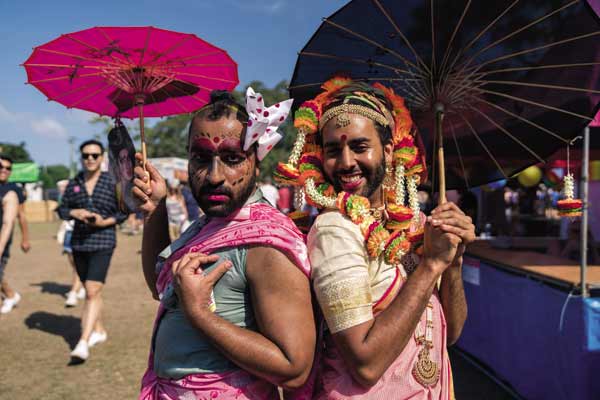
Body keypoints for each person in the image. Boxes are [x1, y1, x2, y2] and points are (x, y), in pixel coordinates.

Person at [277, 78, 475, 398]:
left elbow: (450, 333)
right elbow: (365, 364)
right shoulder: (335, 230)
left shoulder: (416, 225)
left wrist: (454, 260)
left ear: (388, 150)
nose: (345, 163)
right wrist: (431, 266)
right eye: (333, 150)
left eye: (359, 146)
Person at [132, 89, 316, 399]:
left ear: (256, 163)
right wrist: (156, 209)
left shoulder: (266, 242)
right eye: (201, 158)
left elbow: (294, 368)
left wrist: (201, 315)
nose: (215, 176)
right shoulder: (210, 224)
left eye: (232, 158)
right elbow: (161, 288)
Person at [58, 139, 127, 361]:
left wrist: (105, 222)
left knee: (91, 291)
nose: (90, 159)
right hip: (79, 243)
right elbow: (62, 209)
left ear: (102, 157)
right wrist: (75, 213)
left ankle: (83, 342)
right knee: (92, 292)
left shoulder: (111, 182)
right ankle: (99, 330)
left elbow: (124, 211)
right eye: (86, 155)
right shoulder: (74, 182)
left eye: (95, 155)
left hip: (103, 241)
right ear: (81, 157)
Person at [0, 155, 21, 314]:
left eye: (8, 168)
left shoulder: (12, 191)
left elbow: (8, 223)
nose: (4, 170)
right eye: (1, 166)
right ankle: (11, 295)